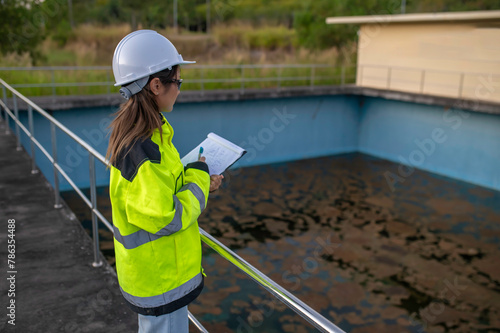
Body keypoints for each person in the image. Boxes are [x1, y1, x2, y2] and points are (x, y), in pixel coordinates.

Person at [106, 30, 223, 333]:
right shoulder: (144, 150)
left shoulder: (147, 133)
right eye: (178, 82)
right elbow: (167, 217)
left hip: (156, 275)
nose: (180, 90)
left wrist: (195, 178)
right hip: (161, 281)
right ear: (156, 85)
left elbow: (159, 190)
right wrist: (198, 177)